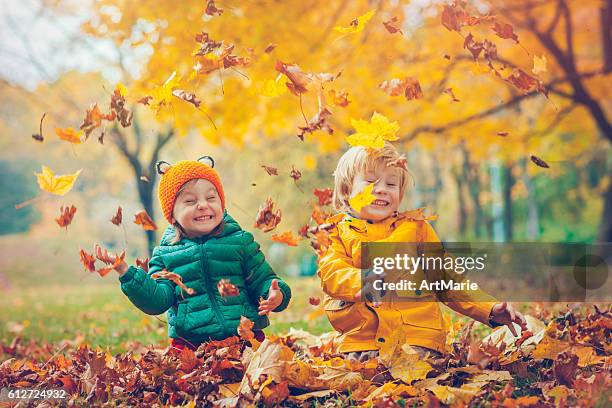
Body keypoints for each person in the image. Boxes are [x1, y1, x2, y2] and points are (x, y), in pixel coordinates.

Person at [317, 143, 526, 362]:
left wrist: (489, 308)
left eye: (391, 183)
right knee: (364, 376)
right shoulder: (335, 232)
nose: (381, 189)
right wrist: (359, 281)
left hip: (416, 338)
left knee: (411, 369)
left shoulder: (416, 229)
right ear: (345, 191)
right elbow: (331, 272)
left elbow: (447, 279)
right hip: (363, 343)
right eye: (370, 181)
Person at [101, 156, 291, 352]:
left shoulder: (240, 242)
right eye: (190, 201)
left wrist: (275, 294)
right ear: (172, 215)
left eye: (210, 198)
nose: (202, 205)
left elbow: (263, 279)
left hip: (245, 338)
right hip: (191, 346)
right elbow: (157, 301)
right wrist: (127, 273)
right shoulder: (166, 254)